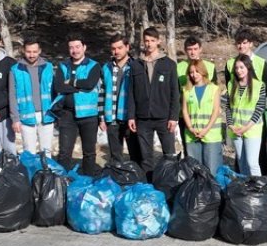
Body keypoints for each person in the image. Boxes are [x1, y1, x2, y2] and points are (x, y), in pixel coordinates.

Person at [128, 27, 181, 175]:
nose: (149, 44)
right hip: (143, 118)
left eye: (152, 40)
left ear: (158, 41)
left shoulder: (169, 64)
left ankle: (170, 183)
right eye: (146, 41)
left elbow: (174, 93)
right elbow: (131, 93)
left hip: (164, 117)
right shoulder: (136, 65)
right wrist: (131, 116)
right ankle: (149, 188)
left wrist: (173, 117)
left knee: (169, 155)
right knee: (146, 157)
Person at [52, 33, 103, 174]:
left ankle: (88, 179)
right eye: (71, 47)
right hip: (67, 115)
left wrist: (71, 82)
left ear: (84, 47)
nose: (75, 50)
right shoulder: (63, 66)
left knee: (89, 152)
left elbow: (90, 84)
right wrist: (79, 85)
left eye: (78, 47)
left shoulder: (94, 66)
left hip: (89, 115)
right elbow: (59, 87)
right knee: (64, 152)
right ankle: (62, 182)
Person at [9, 38, 56, 155]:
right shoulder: (15, 70)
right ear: (23, 51)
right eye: (28, 51)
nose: (31, 55)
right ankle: (31, 173)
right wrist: (15, 119)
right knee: (29, 152)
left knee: (47, 151)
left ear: (39, 51)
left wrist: (56, 111)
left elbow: (55, 91)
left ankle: (47, 172)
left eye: (34, 51)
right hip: (26, 115)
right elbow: (12, 95)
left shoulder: (48, 67)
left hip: (47, 114)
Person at [101, 35, 144, 164]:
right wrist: (101, 117)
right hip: (112, 117)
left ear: (127, 47)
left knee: (135, 154)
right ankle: (117, 178)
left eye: (120, 48)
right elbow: (101, 93)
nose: (116, 51)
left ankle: (137, 180)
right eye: (113, 49)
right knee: (115, 156)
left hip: (130, 117)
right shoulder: (106, 68)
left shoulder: (136, 66)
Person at [224, 55, 267, 176]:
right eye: (236, 68)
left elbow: (259, 109)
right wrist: (231, 125)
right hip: (236, 129)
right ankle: (245, 188)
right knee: (241, 162)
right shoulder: (231, 85)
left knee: (252, 163)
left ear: (248, 67)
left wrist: (245, 128)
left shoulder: (259, 85)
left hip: (252, 129)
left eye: (241, 67)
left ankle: (257, 189)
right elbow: (228, 107)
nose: (239, 70)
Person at [181, 59, 223, 176]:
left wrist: (206, 129)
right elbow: (184, 110)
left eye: (197, 71)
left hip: (211, 134)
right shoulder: (186, 90)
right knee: (195, 170)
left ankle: (214, 193)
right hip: (192, 134)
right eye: (191, 72)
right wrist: (190, 128)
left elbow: (216, 111)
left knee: (212, 169)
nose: (194, 74)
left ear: (203, 71)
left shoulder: (213, 88)